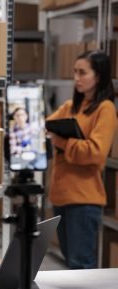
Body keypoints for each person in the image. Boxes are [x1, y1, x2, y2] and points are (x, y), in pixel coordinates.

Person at [47, 50, 117, 269]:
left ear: (98, 76)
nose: (76, 78)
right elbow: (46, 126)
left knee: (81, 268)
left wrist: (62, 143)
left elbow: (96, 152)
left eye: (82, 72)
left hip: (84, 200)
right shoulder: (70, 107)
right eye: (75, 72)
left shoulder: (105, 109)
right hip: (61, 196)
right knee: (71, 267)